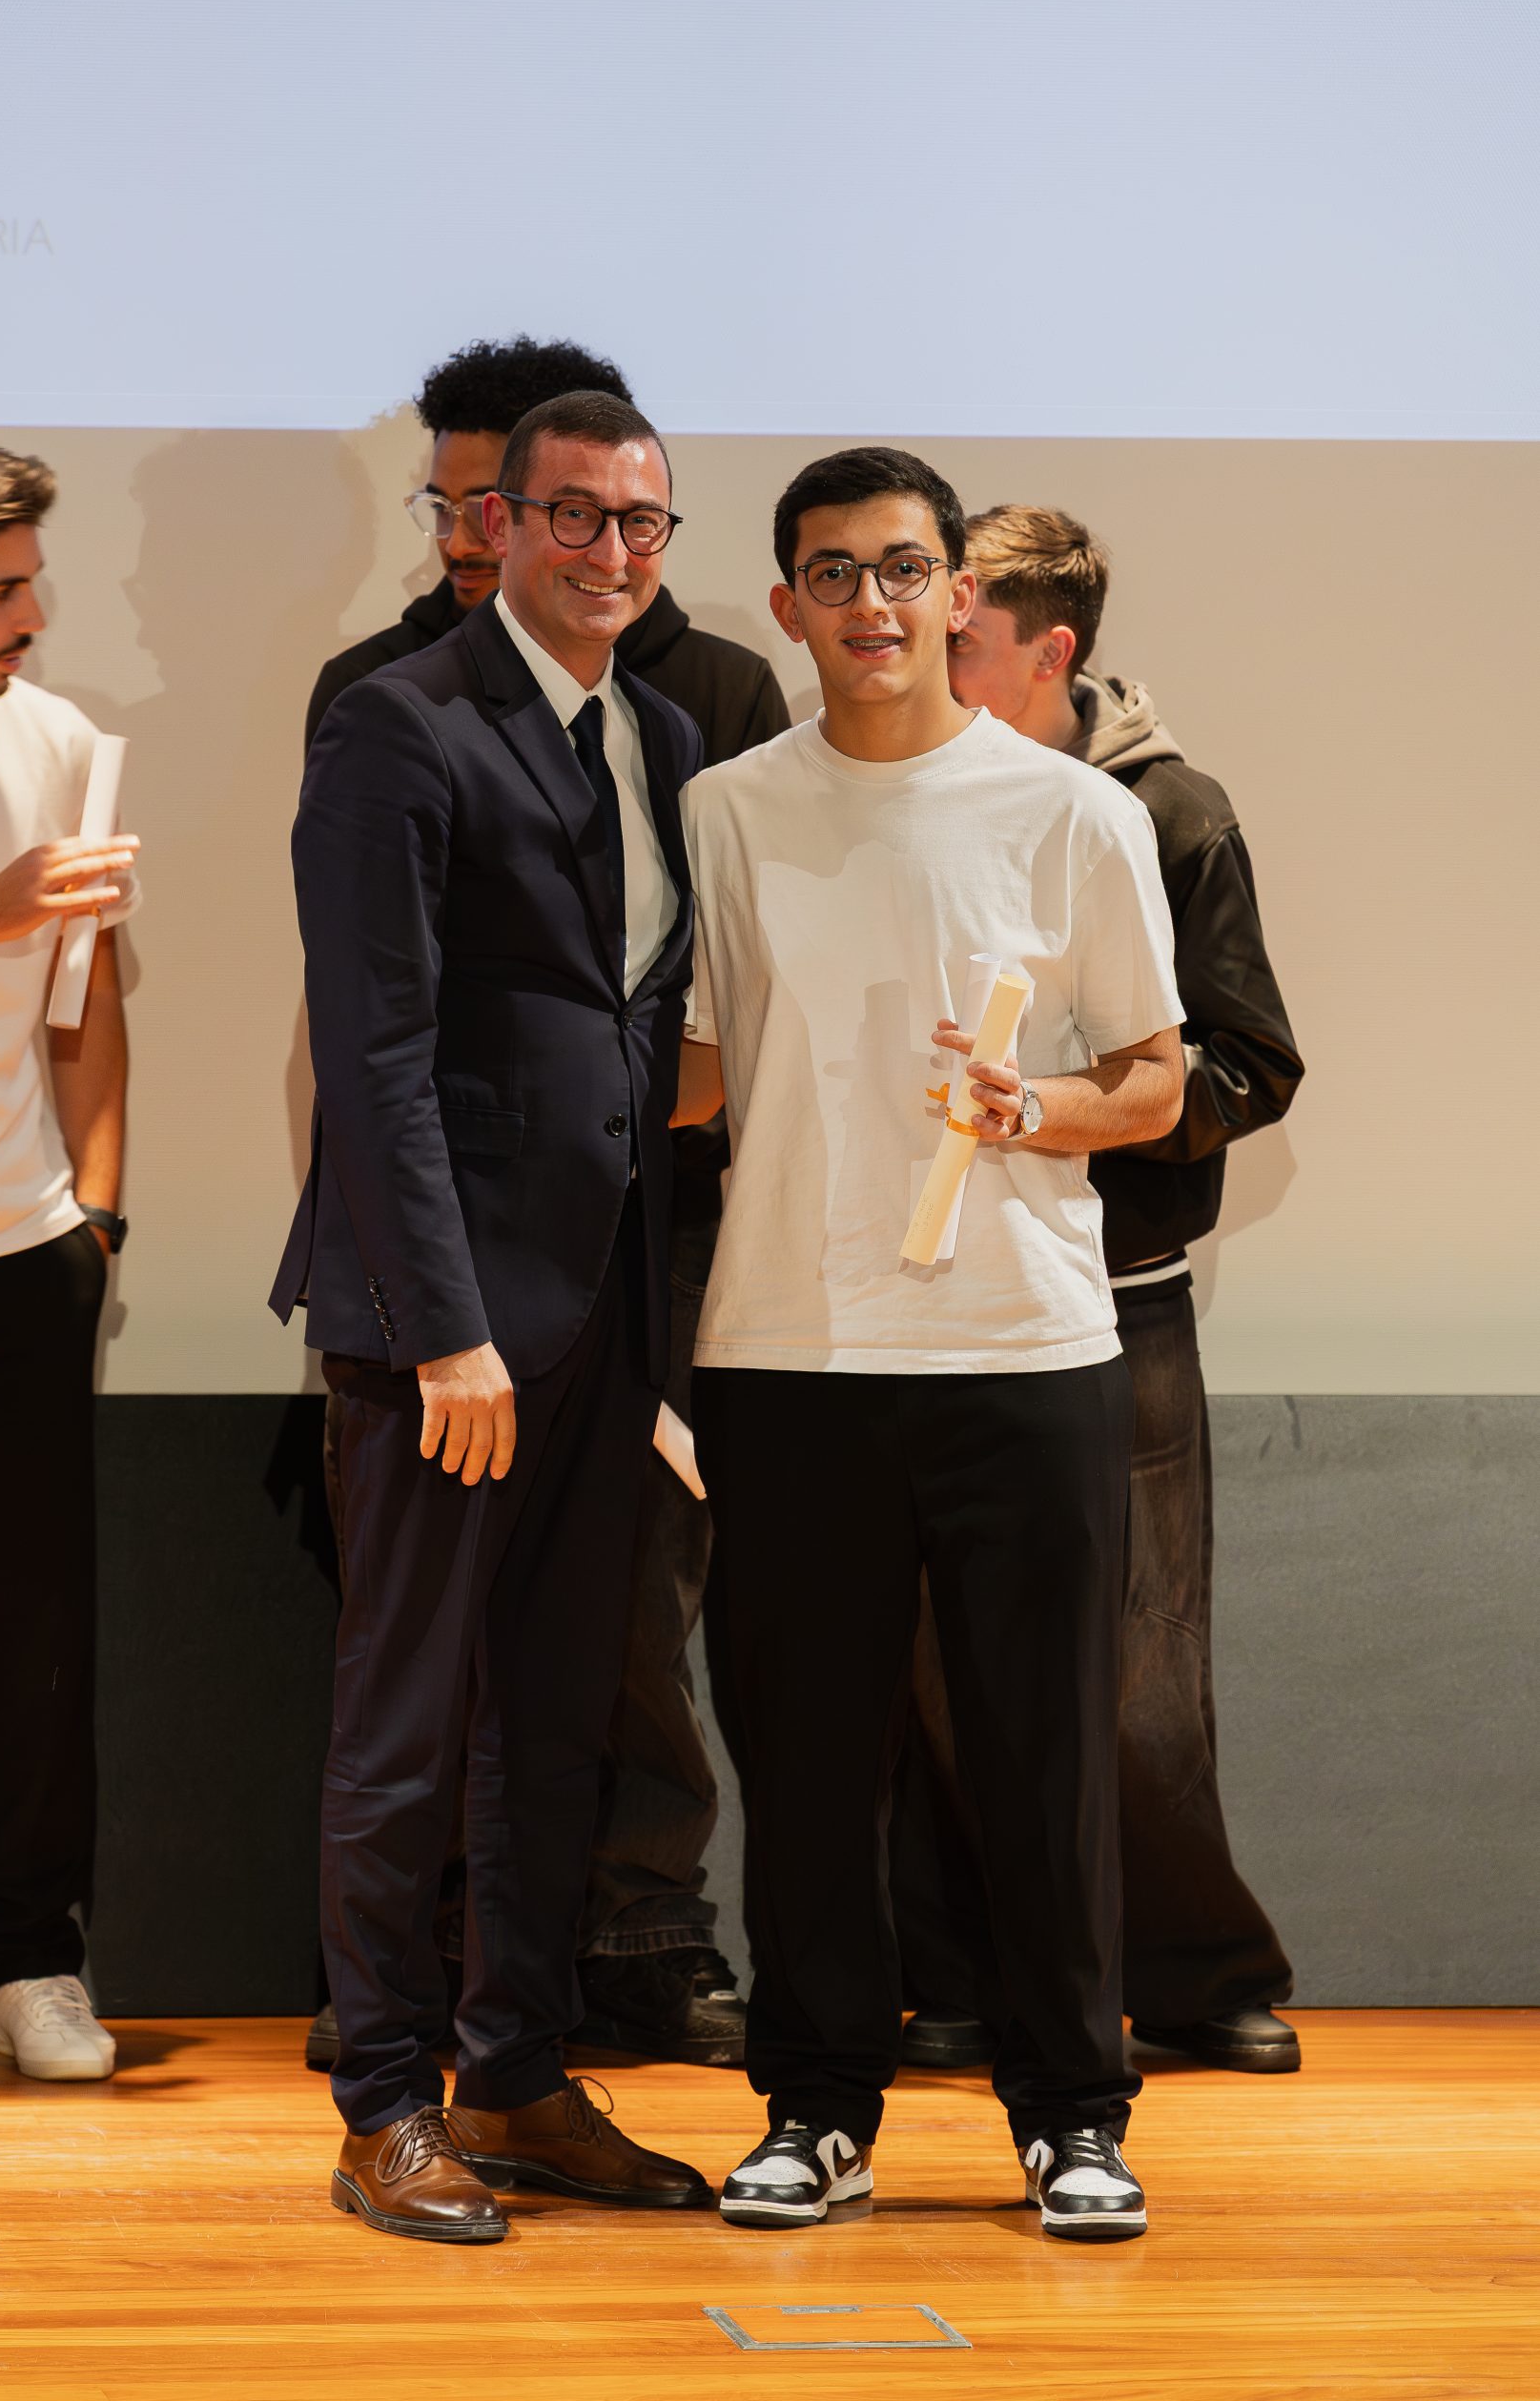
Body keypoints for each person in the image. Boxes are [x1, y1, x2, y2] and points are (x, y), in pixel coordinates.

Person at [679, 447, 1185, 2243]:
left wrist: (1031, 1104)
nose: (872, 604)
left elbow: (1154, 1078)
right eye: (834, 574)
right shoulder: (727, 809)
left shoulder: (1073, 814)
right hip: (788, 1353)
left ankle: (1074, 2114)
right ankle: (817, 2111)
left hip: (1024, 1353)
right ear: (788, 603)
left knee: (1043, 1764)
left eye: (904, 569)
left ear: (961, 594)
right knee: (808, 1766)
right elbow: (701, 1070)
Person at [301, 335, 788, 2078]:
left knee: (557, 1724)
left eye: (641, 524)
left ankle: (515, 2077)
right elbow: (374, 1057)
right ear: (496, 523)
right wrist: (444, 1329)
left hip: (610, 1320)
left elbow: (647, 1032)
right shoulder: (398, 718)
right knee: (410, 1727)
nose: (610, 551)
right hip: (455, 1331)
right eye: (574, 515)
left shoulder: (661, 731)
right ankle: (387, 2096)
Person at [893, 504, 1304, 2075]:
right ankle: (960, 1979)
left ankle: (1195, 1975)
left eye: (963, 637)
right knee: (935, 1663)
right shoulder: (901, 788)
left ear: (1050, 651)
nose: (925, 653)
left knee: (1140, 1663)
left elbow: (1252, 1060)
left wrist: (1077, 1113)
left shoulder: (1171, 812)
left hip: (1119, 1295)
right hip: (937, 1291)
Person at [0, 430, 141, 2082]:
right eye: (1, 589)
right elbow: (9, 929)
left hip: (10, 1257)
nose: (33, 616)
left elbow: (89, 1000)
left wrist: (97, 1218)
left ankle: (31, 1965)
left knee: (32, 1648)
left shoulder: (55, 742)